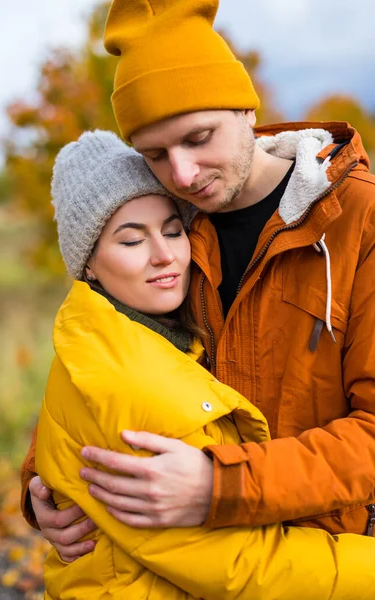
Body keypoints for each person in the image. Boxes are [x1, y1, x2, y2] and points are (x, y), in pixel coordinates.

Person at [22, 0, 375, 561]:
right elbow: (106, 354)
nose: (183, 174)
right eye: (155, 154)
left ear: (245, 110)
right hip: (192, 568)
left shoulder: (357, 220)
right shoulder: (172, 223)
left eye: (198, 137)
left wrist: (221, 484)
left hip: (324, 560)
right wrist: (42, 485)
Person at [35, 128, 375, 599]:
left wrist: (45, 480)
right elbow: (238, 564)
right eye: (132, 242)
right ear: (87, 264)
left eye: (173, 231)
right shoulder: (131, 373)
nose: (165, 256)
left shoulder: (141, 334)